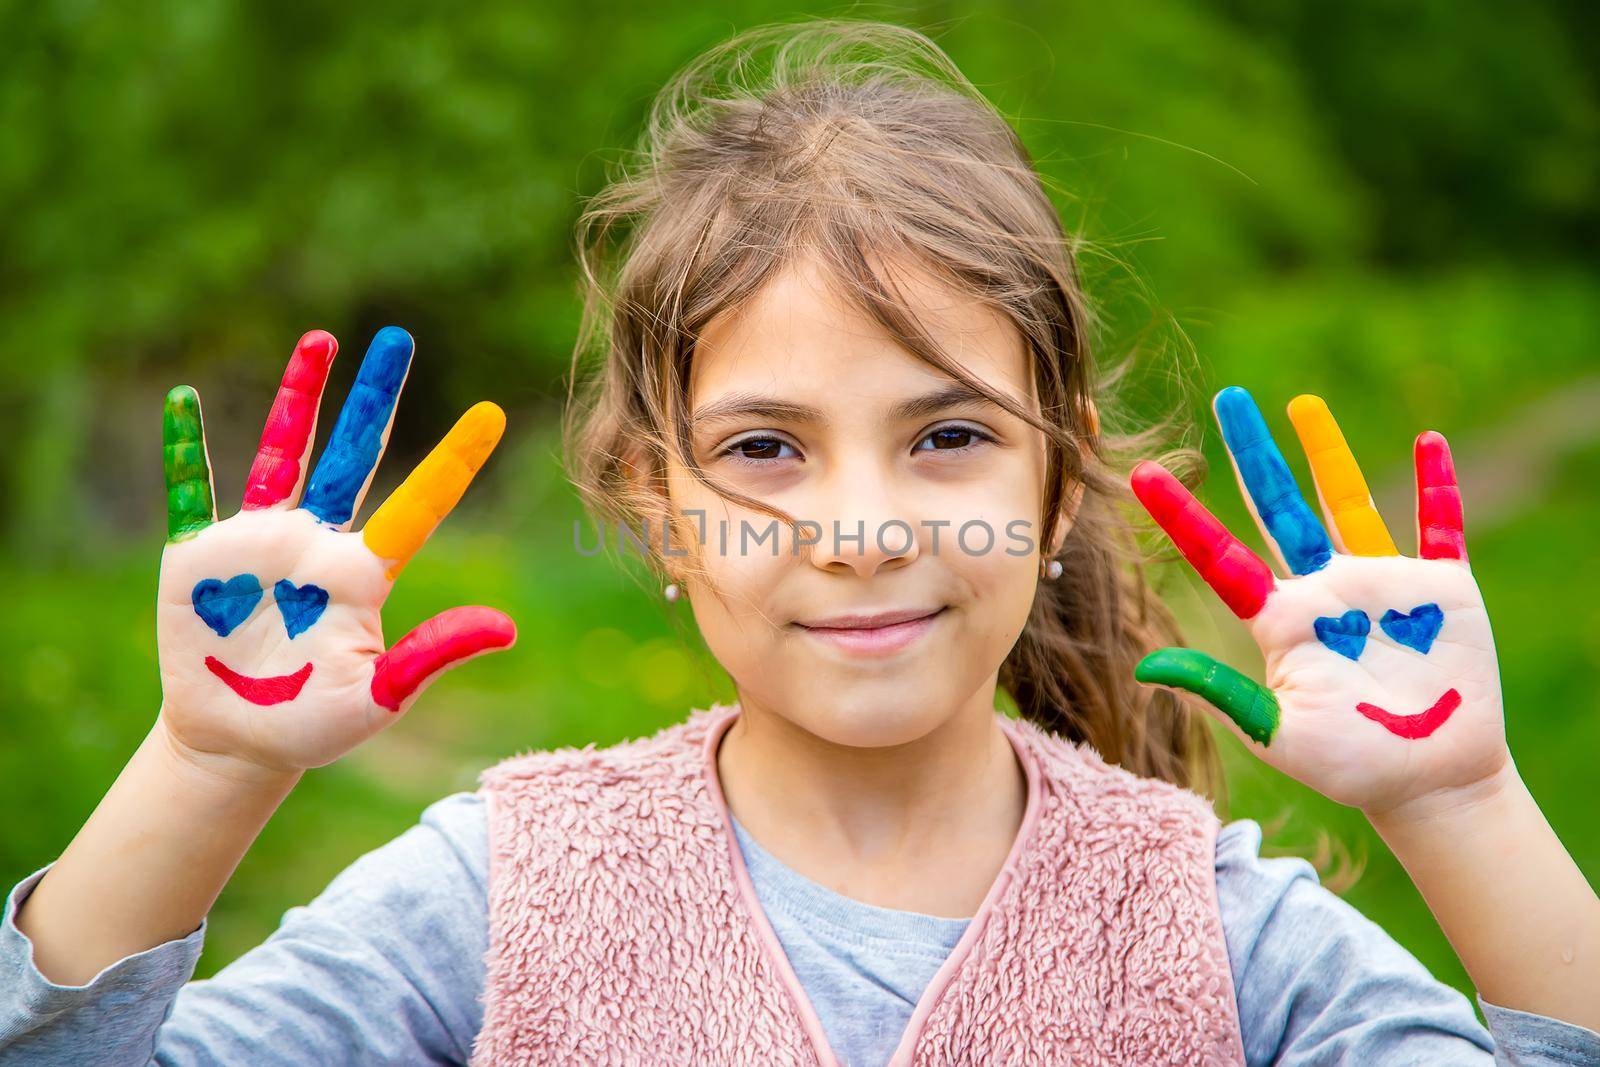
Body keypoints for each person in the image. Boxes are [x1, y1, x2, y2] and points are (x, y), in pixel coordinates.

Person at [3, 18, 1597, 1066]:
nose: (860, 526)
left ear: (1058, 490)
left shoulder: (1215, 934)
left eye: (949, 435)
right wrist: (208, 767)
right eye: (766, 450)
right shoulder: (499, 897)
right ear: (655, 505)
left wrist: (1459, 799)